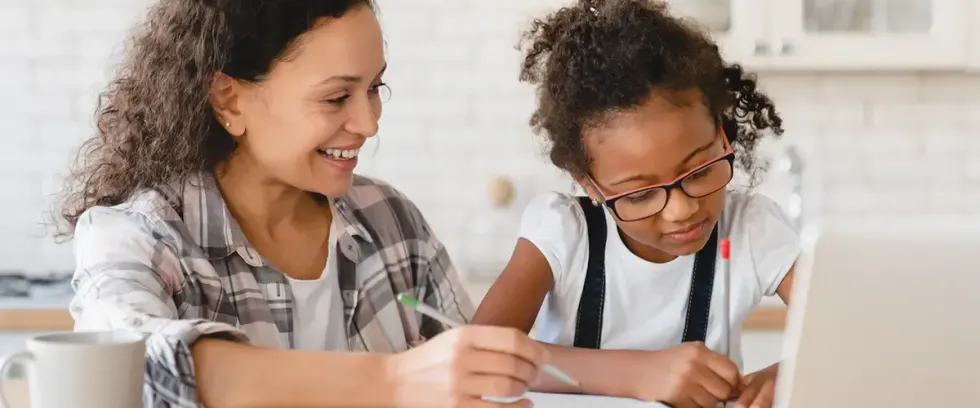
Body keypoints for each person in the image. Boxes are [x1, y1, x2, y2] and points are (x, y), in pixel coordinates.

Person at [58, 1, 545, 407]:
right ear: (228, 100)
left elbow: (465, 374)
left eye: (374, 88)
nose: (369, 123)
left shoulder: (393, 221)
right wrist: (393, 381)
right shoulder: (137, 237)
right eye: (336, 98)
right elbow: (126, 365)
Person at [472, 1, 798, 408]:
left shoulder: (751, 228)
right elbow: (478, 357)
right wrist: (638, 373)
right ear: (587, 183)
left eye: (699, 172)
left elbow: (861, 330)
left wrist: (786, 373)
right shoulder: (562, 231)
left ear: (722, 135)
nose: (681, 210)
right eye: (640, 194)